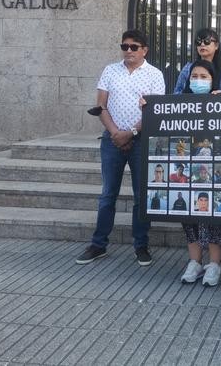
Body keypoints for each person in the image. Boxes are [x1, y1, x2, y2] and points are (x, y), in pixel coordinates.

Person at [76, 30, 165, 267]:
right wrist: (115, 132)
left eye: (134, 47)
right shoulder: (110, 71)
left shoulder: (155, 75)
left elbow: (154, 110)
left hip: (140, 140)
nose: (128, 51)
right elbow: (100, 105)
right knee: (108, 195)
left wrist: (132, 132)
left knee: (140, 196)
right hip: (112, 140)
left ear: (144, 50)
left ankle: (141, 245)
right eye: (124, 46)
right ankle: (98, 244)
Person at [179, 60, 221, 287]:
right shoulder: (179, 103)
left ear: (213, 80)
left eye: (204, 77)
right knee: (190, 217)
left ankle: (214, 265)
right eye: (194, 76)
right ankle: (194, 262)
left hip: (216, 173)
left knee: (214, 217)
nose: (198, 80)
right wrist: (148, 105)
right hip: (190, 171)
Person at [174, 28, 221, 94]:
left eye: (207, 41)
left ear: (216, 46)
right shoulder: (187, 68)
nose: (202, 44)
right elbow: (176, 93)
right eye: (198, 42)